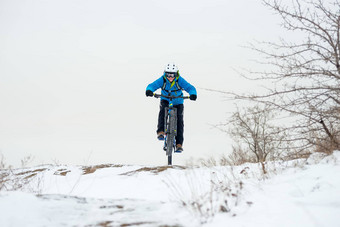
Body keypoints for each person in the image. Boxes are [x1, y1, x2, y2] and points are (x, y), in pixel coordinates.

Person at [145, 63, 197, 153]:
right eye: (168, 74)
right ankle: (160, 131)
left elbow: (190, 87)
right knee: (162, 112)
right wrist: (149, 90)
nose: (170, 77)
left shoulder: (180, 80)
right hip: (165, 99)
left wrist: (193, 94)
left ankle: (179, 144)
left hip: (178, 101)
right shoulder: (162, 80)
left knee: (180, 121)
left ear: (176, 74)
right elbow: (152, 85)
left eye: (172, 75)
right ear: (165, 74)